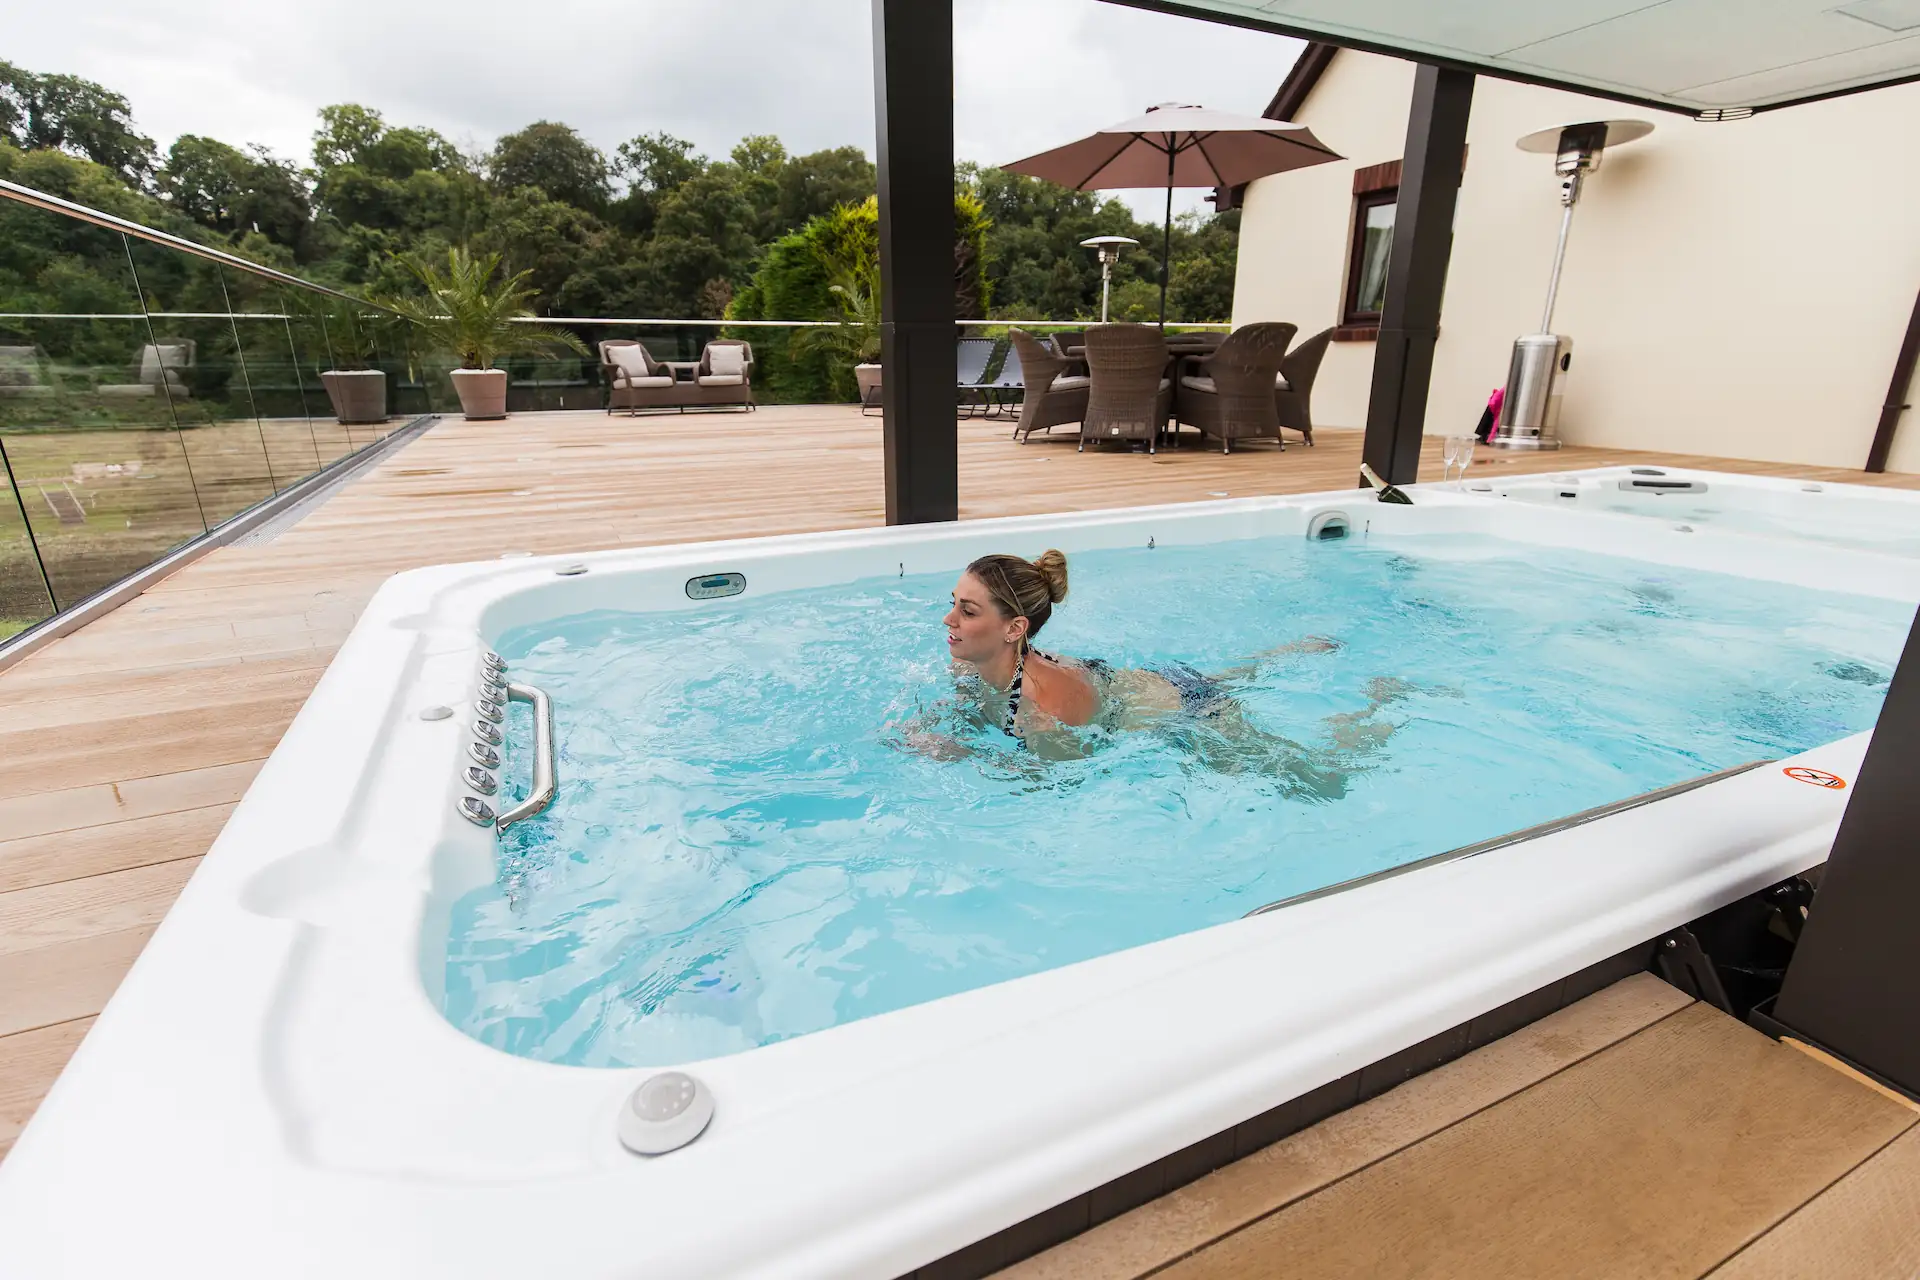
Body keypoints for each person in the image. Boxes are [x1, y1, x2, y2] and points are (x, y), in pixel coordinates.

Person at [905, 549, 1410, 795]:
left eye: (968, 612)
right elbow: (973, 707)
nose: (948, 620)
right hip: (1142, 682)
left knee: (1317, 782)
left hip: (1186, 714)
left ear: (1014, 628)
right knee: (1215, 677)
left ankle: (1381, 703)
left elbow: (1063, 779)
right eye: (953, 604)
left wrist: (961, 756)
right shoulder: (969, 660)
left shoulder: (1044, 705)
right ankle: (1283, 655)